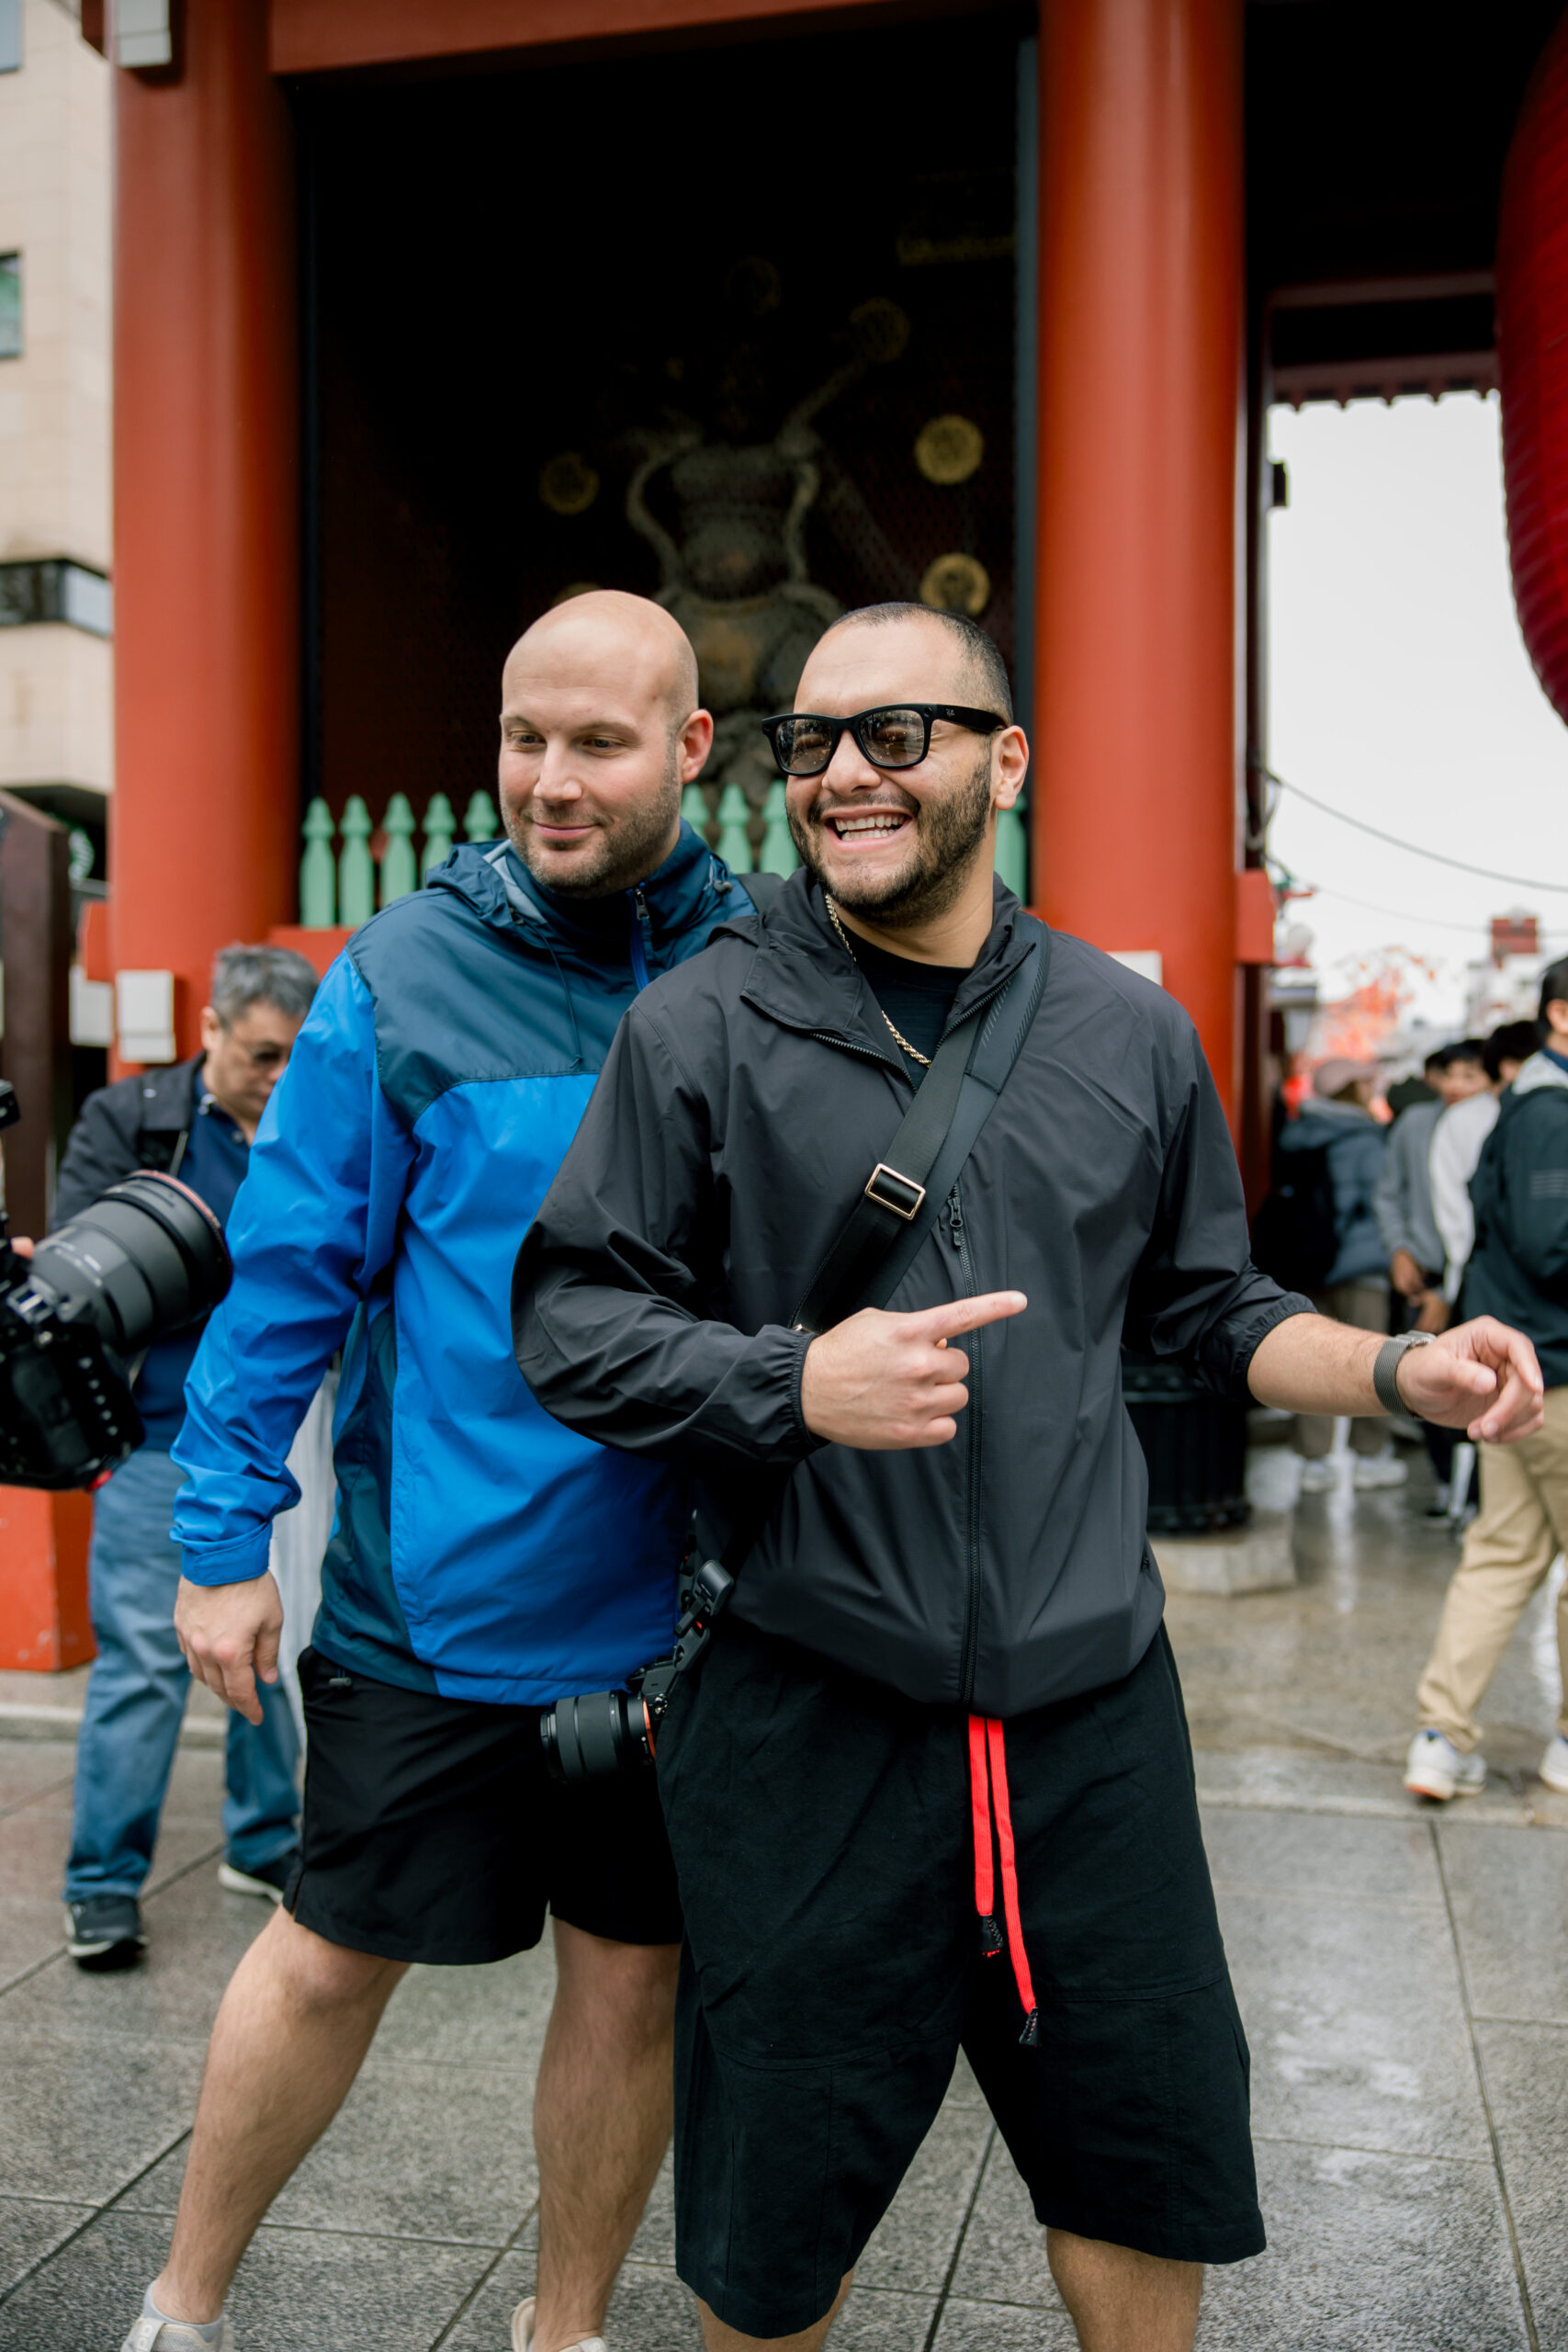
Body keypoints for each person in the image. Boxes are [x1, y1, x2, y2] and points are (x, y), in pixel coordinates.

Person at [514, 600, 1543, 2352]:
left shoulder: (1125, 1033)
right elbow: (570, 1319)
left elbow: (1211, 1308)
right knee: (773, 2243)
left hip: (1091, 1722)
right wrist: (792, 1382)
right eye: (811, 742)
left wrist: (1397, 1372)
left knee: (1139, 2189)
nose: (843, 772)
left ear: (1002, 762)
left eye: (894, 733)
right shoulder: (703, 1025)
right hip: (810, 1713)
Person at [124, 593, 758, 2352]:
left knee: (632, 1982)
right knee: (331, 1952)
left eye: (597, 744)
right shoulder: (398, 973)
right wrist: (222, 1544)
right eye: (520, 738)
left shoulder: (764, 966)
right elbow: (284, 1281)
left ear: (690, 748)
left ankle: (564, 2331)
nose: (548, 780)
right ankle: (181, 2304)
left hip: (688, 1620)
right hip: (436, 1603)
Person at [57, 944, 318, 1974]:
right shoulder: (131, 1122)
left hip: (293, 1442)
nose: (280, 1076)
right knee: (142, 1665)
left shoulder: (315, 1120)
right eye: (261, 1054)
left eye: (296, 1056)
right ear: (209, 1029)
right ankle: (102, 1881)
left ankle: (262, 1837)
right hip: (161, 1435)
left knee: (275, 1646)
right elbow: (84, 1270)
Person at [1406, 966, 1568, 1803]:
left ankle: (1441, 1738)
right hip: (1557, 1373)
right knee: (1504, 1553)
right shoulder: (1551, 1113)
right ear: (1559, 1015)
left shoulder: (1521, 1107)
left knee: (1502, 1553)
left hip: (1526, 1367)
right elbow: (1550, 1243)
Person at [1277, 1057, 1402, 1491]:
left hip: (1307, 1262)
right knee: (1376, 1360)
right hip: (1361, 1263)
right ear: (1352, 1088)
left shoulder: (1296, 1133)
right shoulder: (1366, 1136)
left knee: (1310, 1360)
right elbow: (1381, 1199)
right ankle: (1369, 1455)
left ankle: (1313, 1460)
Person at [1377, 1040, 1490, 1510]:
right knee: (1426, 1384)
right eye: (1449, 1074)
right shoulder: (1414, 1124)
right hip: (1422, 1276)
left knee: (1479, 1386)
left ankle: (1474, 1496)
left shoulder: (1493, 1123)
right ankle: (1447, 1486)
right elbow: (1389, 1193)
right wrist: (1399, 1251)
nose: (1455, 1085)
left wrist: (1449, 1290)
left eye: (1470, 1075)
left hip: (1475, 1279)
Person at [1428, 1020, 1540, 1311]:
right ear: (1508, 1067)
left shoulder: (1539, 1112)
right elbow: (1451, 1204)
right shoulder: (1462, 1119)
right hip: (1487, 1277)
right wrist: (1467, 1261)